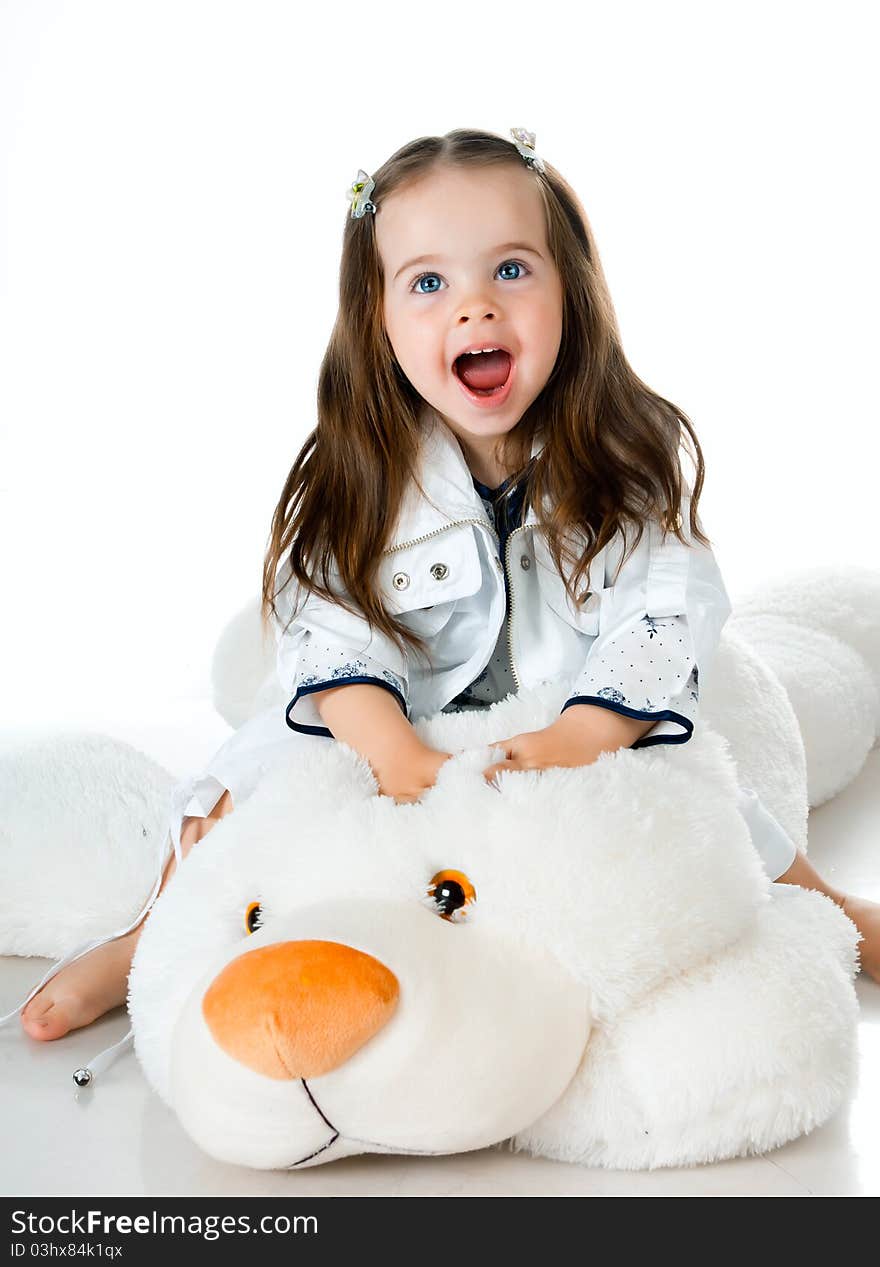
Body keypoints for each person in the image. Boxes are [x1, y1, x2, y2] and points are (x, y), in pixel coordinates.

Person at [12, 126, 879, 1066]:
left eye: (511, 271)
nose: (474, 308)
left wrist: (586, 730)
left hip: (562, 708)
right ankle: (144, 936)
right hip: (392, 714)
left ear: (570, 292)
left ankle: (825, 902)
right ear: (378, 317)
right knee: (245, 776)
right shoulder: (363, 473)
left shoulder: (623, 453)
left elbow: (667, 608)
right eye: (429, 284)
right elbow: (331, 636)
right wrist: (391, 750)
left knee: (712, 785)